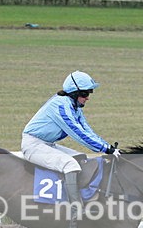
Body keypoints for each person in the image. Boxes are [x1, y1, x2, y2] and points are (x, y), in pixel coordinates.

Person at [21, 71, 120, 210]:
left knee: (81, 158)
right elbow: (78, 133)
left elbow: (87, 131)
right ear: (74, 93)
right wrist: (105, 149)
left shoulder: (74, 107)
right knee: (70, 165)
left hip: (47, 144)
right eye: (85, 94)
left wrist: (109, 147)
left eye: (89, 93)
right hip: (33, 145)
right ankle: (75, 208)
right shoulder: (61, 106)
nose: (87, 98)